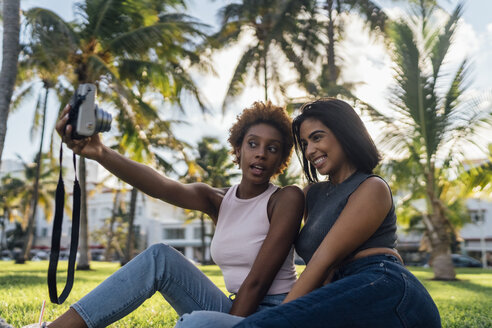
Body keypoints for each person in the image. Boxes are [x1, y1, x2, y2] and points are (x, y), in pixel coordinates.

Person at [27, 101, 304, 328]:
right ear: (238, 149)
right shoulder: (218, 200)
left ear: (281, 160)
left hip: (273, 315)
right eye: (253, 144)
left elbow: (257, 282)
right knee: (160, 257)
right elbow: (161, 186)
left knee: (194, 325)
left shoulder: (285, 199)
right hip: (235, 307)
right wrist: (100, 152)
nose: (261, 155)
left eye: (272, 148)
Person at [177, 98, 441, 328]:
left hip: (382, 286)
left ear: (345, 133)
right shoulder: (311, 195)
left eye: (317, 137)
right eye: (304, 143)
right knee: (199, 322)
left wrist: (278, 316)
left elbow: (322, 261)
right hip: (338, 289)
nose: (309, 150)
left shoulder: (372, 187)